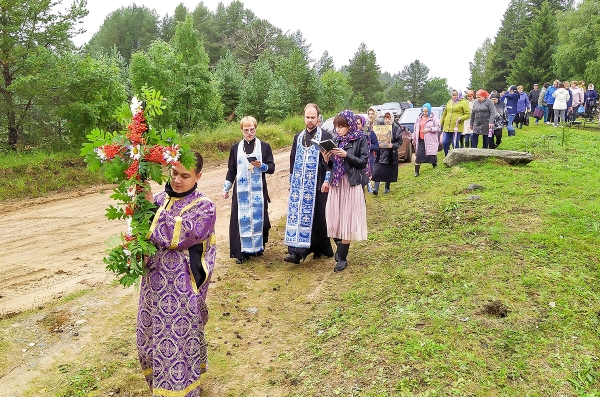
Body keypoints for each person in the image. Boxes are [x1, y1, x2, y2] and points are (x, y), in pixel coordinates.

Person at [138, 152, 216, 397]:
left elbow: (181, 235)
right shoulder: (160, 198)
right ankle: (157, 388)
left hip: (182, 289)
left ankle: (182, 392)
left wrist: (151, 209)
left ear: (198, 176)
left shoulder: (205, 206)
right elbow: (144, 236)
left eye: (185, 176)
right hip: (153, 285)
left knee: (176, 345)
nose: (177, 181)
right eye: (174, 173)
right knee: (148, 341)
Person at [284, 103, 335, 264]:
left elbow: (331, 161)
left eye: (313, 117)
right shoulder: (298, 137)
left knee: (318, 216)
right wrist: (291, 181)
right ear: (304, 118)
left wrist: (327, 180)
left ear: (318, 118)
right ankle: (296, 252)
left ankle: (320, 247)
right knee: (297, 216)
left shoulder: (326, 136)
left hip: (318, 182)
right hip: (299, 184)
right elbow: (293, 160)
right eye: (307, 117)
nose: (310, 120)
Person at [222, 116, 275, 264]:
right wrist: (226, 189)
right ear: (241, 130)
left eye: (252, 129)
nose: (249, 133)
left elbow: (271, 168)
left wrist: (261, 166)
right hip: (241, 192)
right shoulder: (235, 148)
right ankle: (242, 252)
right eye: (246, 130)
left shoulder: (264, 146)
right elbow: (231, 170)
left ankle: (258, 247)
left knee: (260, 220)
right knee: (241, 219)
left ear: (256, 128)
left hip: (258, 191)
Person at [322, 110, 369, 272]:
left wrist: (346, 155)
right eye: (336, 127)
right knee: (333, 217)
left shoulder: (360, 138)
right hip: (336, 183)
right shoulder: (335, 140)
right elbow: (331, 166)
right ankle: (340, 247)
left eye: (341, 126)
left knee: (347, 220)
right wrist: (326, 159)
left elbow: (363, 162)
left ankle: (342, 258)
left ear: (349, 125)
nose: (338, 130)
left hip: (350, 183)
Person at [371, 111, 401, 195]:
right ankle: (376, 188)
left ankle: (387, 187)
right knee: (378, 170)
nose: (387, 120)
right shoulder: (380, 128)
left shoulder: (396, 128)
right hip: (380, 153)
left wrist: (393, 145)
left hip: (391, 153)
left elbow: (399, 141)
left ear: (392, 118)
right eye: (385, 118)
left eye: (388, 118)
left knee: (388, 170)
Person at [412, 103, 441, 177]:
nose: (424, 113)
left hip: (430, 140)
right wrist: (414, 138)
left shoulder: (434, 118)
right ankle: (416, 171)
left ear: (429, 110)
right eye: (423, 111)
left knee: (431, 154)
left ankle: (435, 165)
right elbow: (415, 130)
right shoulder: (418, 119)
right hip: (421, 140)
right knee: (419, 156)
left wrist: (429, 129)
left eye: (426, 111)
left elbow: (438, 128)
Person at [440, 89, 471, 156]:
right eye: (453, 95)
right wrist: (440, 123)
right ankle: (447, 156)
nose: (454, 97)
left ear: (459, 95)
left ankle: (455, 157)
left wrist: (461, 118)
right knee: (444, 142)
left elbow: (468, 114)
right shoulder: (449, 102)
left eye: (455, 95)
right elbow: (444, 114)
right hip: (447, 127)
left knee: (455, 143)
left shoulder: (464, 102)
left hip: (456, 127)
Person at [355, 113, 378, 193]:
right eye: (355, 124)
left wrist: (366, 146)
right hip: (355, 161)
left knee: (363, 181)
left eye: (358, 124)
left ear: (363, 123)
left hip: (367, 160)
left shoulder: (369, 133)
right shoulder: (352, 135)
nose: (357, 126)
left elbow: (376, 146)